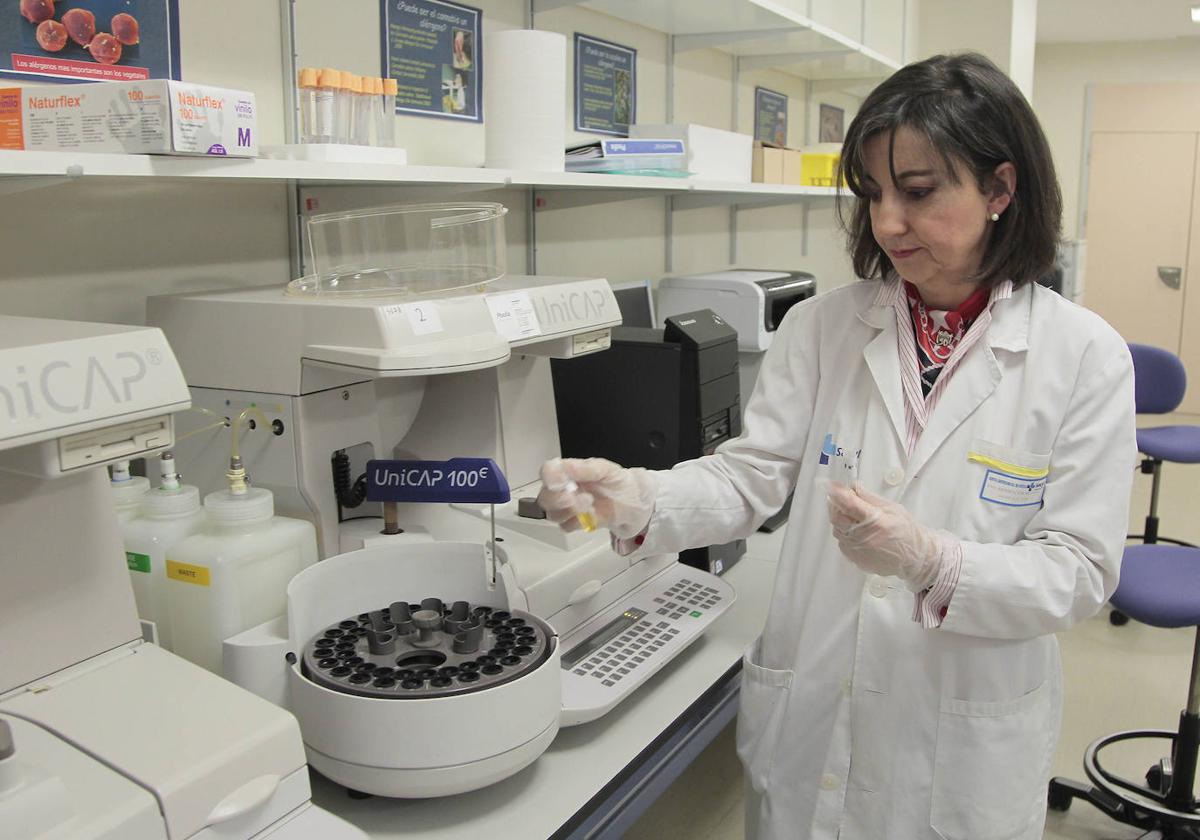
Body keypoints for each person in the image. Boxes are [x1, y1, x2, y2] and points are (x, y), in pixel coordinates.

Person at [538, 52, 1136, 840]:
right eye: (873, 193)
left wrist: (934, 562)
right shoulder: (820, 327)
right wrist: (643, 496)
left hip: (962, 741)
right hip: (815, 719)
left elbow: (1080, 571)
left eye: (918, 192)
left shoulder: (1083, 356)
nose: (887, 222)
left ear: (1000, 188)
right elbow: (752, 479)